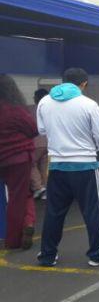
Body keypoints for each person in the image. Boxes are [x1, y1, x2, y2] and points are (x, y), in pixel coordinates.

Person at [37, 68, 99, 267]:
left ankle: (48, 255)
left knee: (54, 212)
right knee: (92, 211)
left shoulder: (44, 102)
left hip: (56, 165)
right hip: (84, 166)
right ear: (83, 84)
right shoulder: (88, 104)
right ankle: (98, 253)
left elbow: (41, 130)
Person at [0, 75, 37, 250]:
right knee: (19, 197)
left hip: (3, 159)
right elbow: (32, 129)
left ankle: (28, 223)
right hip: (19, 158)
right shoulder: (16, 110)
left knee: (23, 194)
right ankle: (14, 239)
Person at [30, 88, 49, 200]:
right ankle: (46, 190)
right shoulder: (50, 109)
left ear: (37, 98)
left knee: (31, 164)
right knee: (43, 167)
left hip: (36, 142)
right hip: (48, 143)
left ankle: (38, 188)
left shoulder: (32, 109)